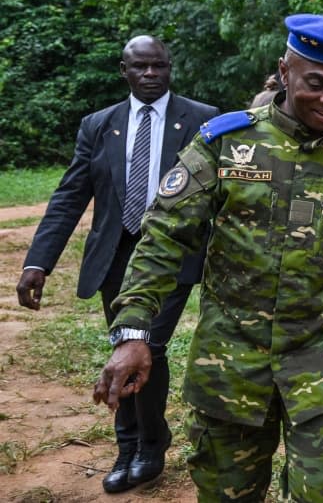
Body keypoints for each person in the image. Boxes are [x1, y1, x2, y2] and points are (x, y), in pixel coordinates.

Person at [92, 14, 323, 502]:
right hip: (231, 359)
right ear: (285, 71)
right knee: (225, 494)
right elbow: (163, 238)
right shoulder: (226, 143)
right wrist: (135, 331)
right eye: (317, 84)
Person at [15, 35, 218, 494]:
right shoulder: (98, 125)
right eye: (140, 67)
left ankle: (150, 444)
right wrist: (38, 262)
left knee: (148, 345)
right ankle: (127, 446)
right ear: (122, 70)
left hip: (174, 254)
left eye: (159, 66)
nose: (151, 75)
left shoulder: (204, 120)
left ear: (170, 68)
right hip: (117, 254)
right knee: (123, 344)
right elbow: (70, 196)